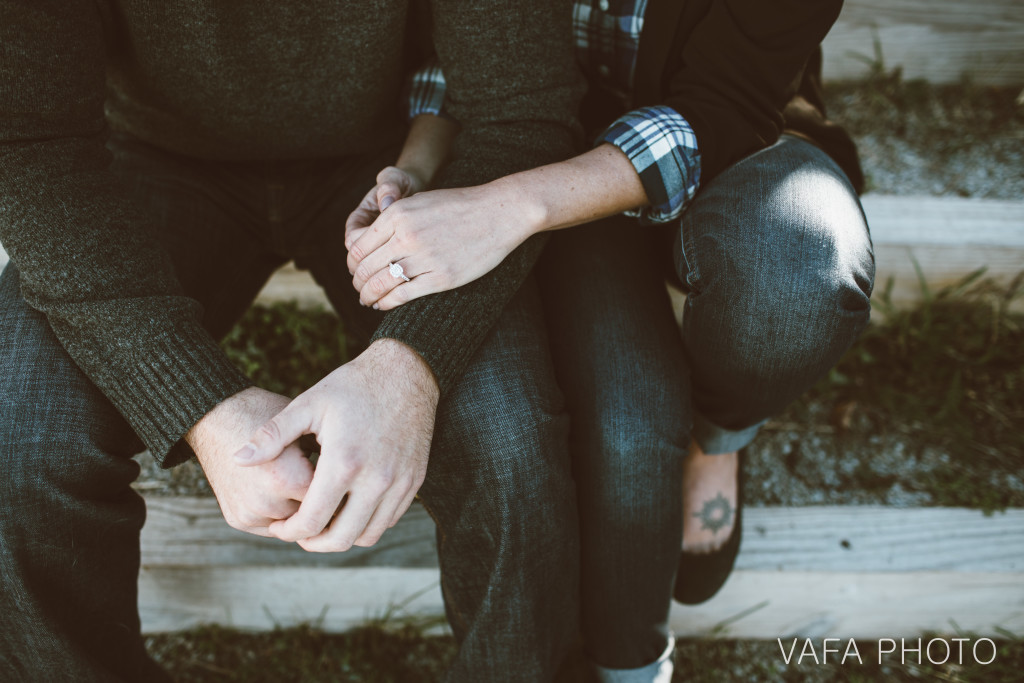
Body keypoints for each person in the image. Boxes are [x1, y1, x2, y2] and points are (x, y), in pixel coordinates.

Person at [0, 1, 586, 681]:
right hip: (150, 157)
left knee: (513, 439)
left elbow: (523, 111)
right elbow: (28, 140)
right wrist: (201, 407)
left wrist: (411, 364)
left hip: (392, 163)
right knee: (20, 439)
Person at [344, 0, 875, 679]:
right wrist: (417, 168)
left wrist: (506, 207)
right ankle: (631, 664)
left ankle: (716, 436)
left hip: (738, 131)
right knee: (627, 415)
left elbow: (729, 103)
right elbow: (457, 46)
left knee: (798, 266)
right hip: (546, 148)